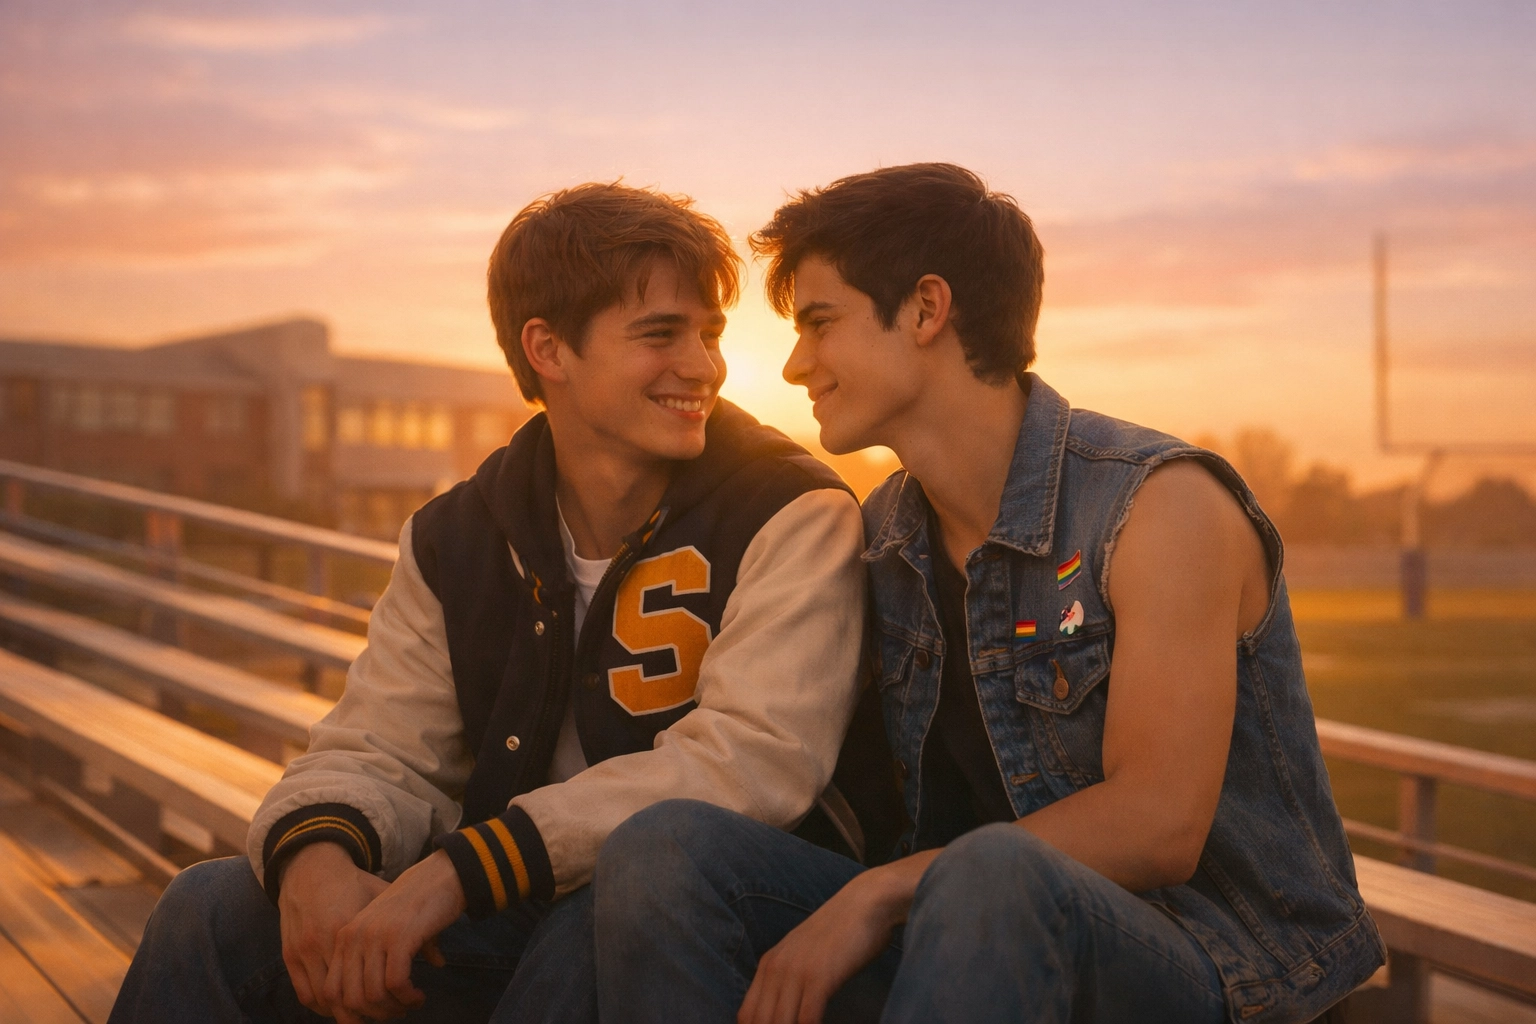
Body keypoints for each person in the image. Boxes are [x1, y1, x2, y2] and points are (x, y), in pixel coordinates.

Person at [593, 164, 1386, 1024]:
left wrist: (880, 894)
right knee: (663, 849)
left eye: (820, 323)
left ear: (929, 310)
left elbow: (1160, 822)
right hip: (961, 943)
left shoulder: (1158, 505)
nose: (793, 366)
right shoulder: (884, 537)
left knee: (990, 874)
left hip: (1218, 967)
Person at [109, 182, 877, 1023]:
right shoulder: (457, 533)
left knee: (587, 929)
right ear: (547, 348)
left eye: (709, 332)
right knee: (208, 905)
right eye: (661, 334)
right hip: (496, 905)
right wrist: (316, 859)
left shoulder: (789, 508)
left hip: (691, 923)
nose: (704, 365)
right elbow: (382, 743)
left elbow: (754, 761)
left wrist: (460, 872)